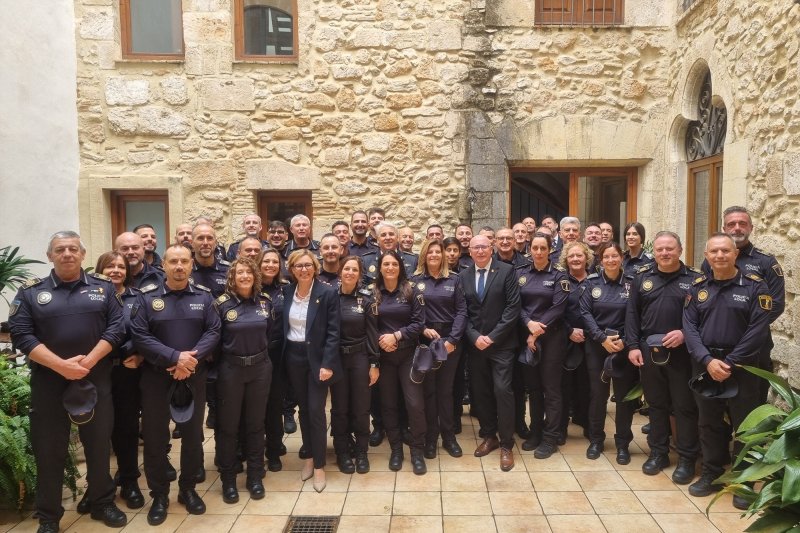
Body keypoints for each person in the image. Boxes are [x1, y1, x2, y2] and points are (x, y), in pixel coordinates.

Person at [9, 231, 127, 532]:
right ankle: (49, 517)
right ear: (50, 255)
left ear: (83, 255)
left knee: (98, 445)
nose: (67, 254)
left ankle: (102, 502)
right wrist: (62, 366)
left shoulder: (103, 289)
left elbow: (116, 328)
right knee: (49, 450)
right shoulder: (31, 292)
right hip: (49, 383)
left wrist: (86, 362)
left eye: (73, 249)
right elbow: (22, 335)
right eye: (60, 249)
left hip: (94, 378)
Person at [131, 244, 221, 525]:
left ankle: (188, 490)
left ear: (191, 265)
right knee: (157, 439)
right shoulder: (147, 299)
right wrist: (174, 357)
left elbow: (214, 330)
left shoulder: (204, 298)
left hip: (193, 376)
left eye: (184, 261)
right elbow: (139, 335)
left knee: (193, 437)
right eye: (174, 261)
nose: (179, 266)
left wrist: (189, 361)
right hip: (157, 376)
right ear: (163, 266)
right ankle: (159, 495)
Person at [684, 233, 771, 501]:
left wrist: (731, 362)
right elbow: (689, 328)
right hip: (705, 364)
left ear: (735, 254)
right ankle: (711, 472)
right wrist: (708, 361)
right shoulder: (697, 288)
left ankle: (742, 479)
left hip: (743, 366)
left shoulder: (755, 287)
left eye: (725, 251)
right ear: (707, 256)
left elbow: (758, 331)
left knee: (744, 425)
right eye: (714, 252)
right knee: (708, 421)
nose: (719, 256)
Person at [626, 231, 699, 484]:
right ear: (654, 251)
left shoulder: (695, 280)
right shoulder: (642, 277)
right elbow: (632, 315)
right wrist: (633, 346)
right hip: (649, 351)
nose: (665, 253)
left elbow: (702, 319)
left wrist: (684, 333)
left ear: (680, 250)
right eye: (660, 249)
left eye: (670, 248)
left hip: (682, 353)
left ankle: (687, 458)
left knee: (684, 406)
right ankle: (658, 453)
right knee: (655, 405)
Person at [703, 206, 785, 403]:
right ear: (724, 228)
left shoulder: (766, 262)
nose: (737, 228)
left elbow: (776, 304)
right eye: (731, 224)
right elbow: (705, 299)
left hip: (755, 345)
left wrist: (745, 330)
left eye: (742, 223)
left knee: (752, 399)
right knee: (717, 400)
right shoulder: (711, 261)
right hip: (717, 346)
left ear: (751, 227)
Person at [459, 235, 521, 471]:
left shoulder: (506, 271)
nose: (481, 251)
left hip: (502, 344)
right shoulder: (463, 276)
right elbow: (461, 312)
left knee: (502, 390)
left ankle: (506, 444)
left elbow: (513, 308)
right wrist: (475, 337)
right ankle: (489, 436)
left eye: (485, 246)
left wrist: (493, 337)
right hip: (476, 346)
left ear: (491, 248)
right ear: (471, 251)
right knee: (480, 392)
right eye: (476, 247)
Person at [282, 249, 341, 492]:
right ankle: (308, 455)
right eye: (298, 266)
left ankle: (319, 466)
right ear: (292, 269)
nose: (303, 269)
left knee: (316, 410)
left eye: (308, 265)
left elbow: (333, 332)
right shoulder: (287, 292)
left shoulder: (326, 293)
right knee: (303, 409)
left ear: (315, 267)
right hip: (293, 357)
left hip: (318, 360)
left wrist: (327, 364)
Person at [214, 258, 273, 503]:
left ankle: (255, 476)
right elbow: (215, 340)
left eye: (249, 272)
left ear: (255, 275)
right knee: (228, 427)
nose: (245, 276)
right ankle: (228, 480)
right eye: (240, 272)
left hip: (260, 368)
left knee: (256, 425)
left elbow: (270, 333)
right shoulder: (222, 305)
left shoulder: (265, 303)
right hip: (231, 370)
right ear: (232, 276)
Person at [579, 241, 638, 464]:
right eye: (606, 257)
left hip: (623, 348)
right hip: (597, 347)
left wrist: (624, 341)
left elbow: (637, 316)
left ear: (621, 258)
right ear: (600, 260)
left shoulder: (632, 284)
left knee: (623, 398)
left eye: (615, 256)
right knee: (598, 396)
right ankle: (596, 440)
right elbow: (585, 314)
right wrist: (602, 339)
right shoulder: (590, 283)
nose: (611, 260)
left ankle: (622, 443)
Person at [95, 252, 146, 511]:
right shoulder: (90, 298)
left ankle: (129, 481)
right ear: (99, 269)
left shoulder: (138, 299)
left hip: (126, 373)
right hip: (94, 372)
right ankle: (97, 487)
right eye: (109, 266)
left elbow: (146, 330)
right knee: (97, 433)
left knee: (126, 429)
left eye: (120, 266)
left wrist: (140, 354)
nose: (115, 270)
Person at [412, 239, 468, 459]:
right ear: (424, 255)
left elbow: (462, 311)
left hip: (449, 342)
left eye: (438, 252)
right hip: (425, 342)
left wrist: (452, 340)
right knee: (429, 391)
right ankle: (430, 437)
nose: (434, 255)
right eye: (430, 252)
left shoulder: (454, 280)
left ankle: (448, 436)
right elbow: (411, 313)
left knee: (446, 391)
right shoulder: (415, 281)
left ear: (443, 255)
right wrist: (423, 329)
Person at [374, 250, 427, 474]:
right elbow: (367, 325)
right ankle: (396, 449)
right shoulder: (373, 293)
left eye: (394, 264)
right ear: (380, 268)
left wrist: (395, 336)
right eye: (385, 264)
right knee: (388, 404)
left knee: (414, 404)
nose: (390, 268)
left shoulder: (411, 291)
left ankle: (416, 451)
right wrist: (381, 341)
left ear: (400, 267)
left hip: (407, 355)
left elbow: (419, 323)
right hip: (383, 357)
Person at [517, 233, 569, 459]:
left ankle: (550, 438)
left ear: (550, 250)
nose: (538, 252)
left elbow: (559, 307)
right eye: (535, 248)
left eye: (543, 248)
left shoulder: (559, 276)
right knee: (534, 388)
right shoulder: (520, 274)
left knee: (551, 389)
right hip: (528, 337)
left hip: (552, 339)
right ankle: (535, 432)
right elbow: (516, 304)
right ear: (530, 249)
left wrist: (537, 330)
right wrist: (529, 324)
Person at [331, 256, 379, 474]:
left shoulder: (367, 299)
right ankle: (342, 452)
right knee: (340, 408)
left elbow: (372, 334)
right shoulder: (330, 297)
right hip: (337, 359)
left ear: (360, 274)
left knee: (361, 408)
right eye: (346, 269)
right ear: (340, 271)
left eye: (354, 270)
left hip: (360, 357)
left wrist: (374, 363)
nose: (350, 272)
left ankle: (361, 451)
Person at [190, 223, 229, 430]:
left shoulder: (227, 269)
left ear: (215, 242)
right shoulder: (185, 268)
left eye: (209, 238)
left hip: (223, 338)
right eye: (200, 238)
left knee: (221, 385)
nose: (205, 242)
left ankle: (215, 410)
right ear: (192, 242)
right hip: (192, 339)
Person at [558, 241, 593, 443]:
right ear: (566, 259)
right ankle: (560, 429)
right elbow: (554, 311)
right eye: (571, 256)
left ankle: (589, 426)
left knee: (588, 387)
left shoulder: (595, 281)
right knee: (564, 387)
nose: (576, 259)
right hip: (565, 341)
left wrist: (589, 332)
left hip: (591, 341)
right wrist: (570, 331)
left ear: (586, 257)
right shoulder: (561, 281)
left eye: (579, 255)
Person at [260, 249, 290, 472]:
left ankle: (273, 447)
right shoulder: (251, 287)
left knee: (275, 403)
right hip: (255, 353)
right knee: (253, 404)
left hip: (279, 353)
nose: (270, 265)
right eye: (266, 261)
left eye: (274, 262)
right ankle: (252, 447)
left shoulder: (286, 289)